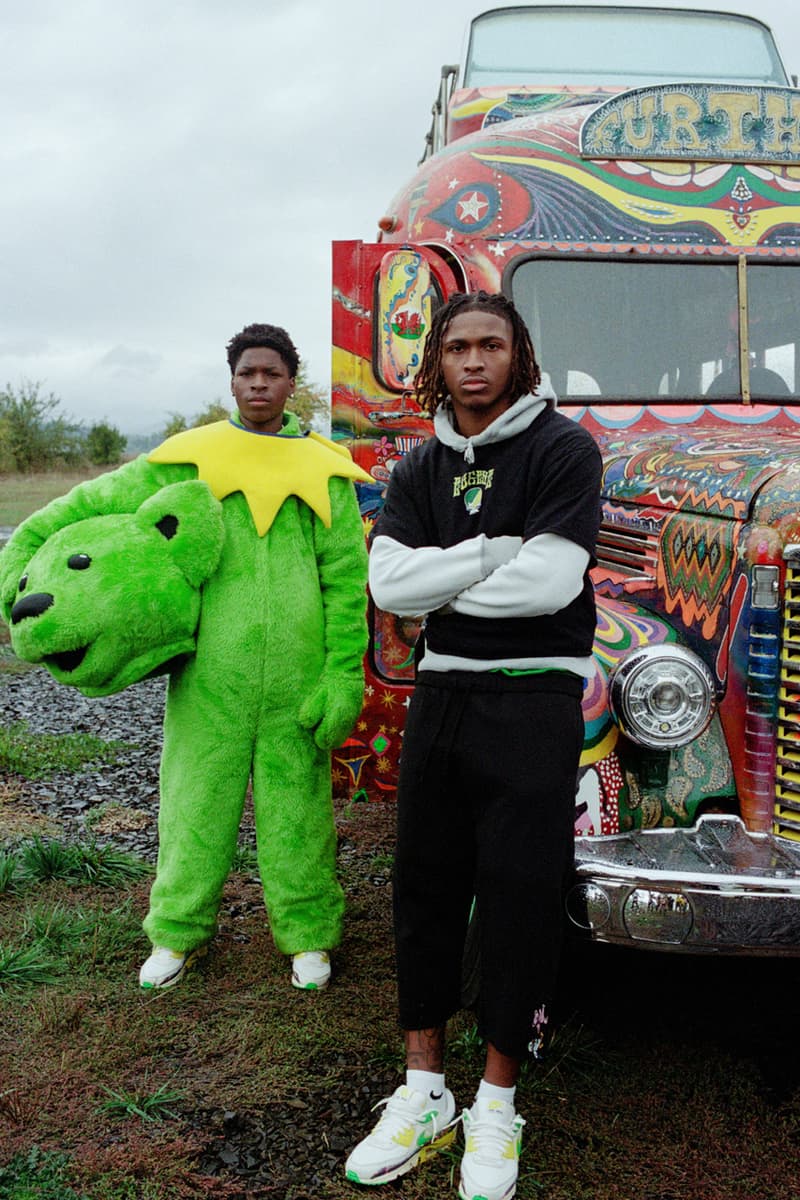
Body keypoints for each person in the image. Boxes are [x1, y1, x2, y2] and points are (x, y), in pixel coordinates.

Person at [0, 323, 370, 993]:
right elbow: (88, 502)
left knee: (300, 814)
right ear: (232, 380)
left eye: (272, 373)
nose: (259, 383)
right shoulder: (190, 458)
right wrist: (20, 556)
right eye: (247, 372)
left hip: (297, 682)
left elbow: (345, 579)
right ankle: (175, 931)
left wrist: (343, 671)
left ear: (292, 382)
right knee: (193, 806)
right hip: (209, 682)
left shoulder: (325, 468)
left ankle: (309, 933)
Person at [345, 292, 601, 1199]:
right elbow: (388, 582)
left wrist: (442, 583)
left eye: (492, 344)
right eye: (458, 347)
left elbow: (551, 582)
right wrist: (493, 553)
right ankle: (424, 1092)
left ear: (519, 354)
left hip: (534, 696)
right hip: (443, 694)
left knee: (521, 894)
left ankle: (496, 1102)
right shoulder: (420, 465)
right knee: (424, 885)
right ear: (438, 361)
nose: (474, 361)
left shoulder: (563, 449)